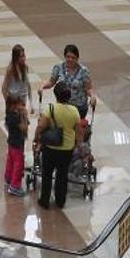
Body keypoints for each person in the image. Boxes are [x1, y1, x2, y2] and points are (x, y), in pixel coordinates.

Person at [32, 80, 83, 210]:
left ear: (56, 95)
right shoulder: (74, 111)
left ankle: (44, 200)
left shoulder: (50, 108)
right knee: (62, 174)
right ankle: (60, 200)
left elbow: (41, 126)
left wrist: (36, 138)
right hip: (67, 148)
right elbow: (79, 131)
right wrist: (78, 144)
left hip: (50, 147)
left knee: (47, 174)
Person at [1, 46, 31, 196]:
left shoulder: (23, 69)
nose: (23, 58)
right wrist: (18, 106)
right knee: (18, 153)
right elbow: (6, 89)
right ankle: (15, 185)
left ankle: (8, 177)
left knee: (12, 150)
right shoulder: (11, 71)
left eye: (24, 55)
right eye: (20, 56)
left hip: (15, 109)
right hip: (15, 111)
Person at [43, 43, 93, 118]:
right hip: (63, 107)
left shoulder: (84, 71)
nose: (70, 60)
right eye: (68, 57)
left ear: (77, 58)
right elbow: (51, 82)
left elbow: (88, 88)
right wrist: (42, 87)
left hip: (79, 107)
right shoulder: (58, 67)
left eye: (73, 57)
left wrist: (93, 96)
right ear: (64, 56)